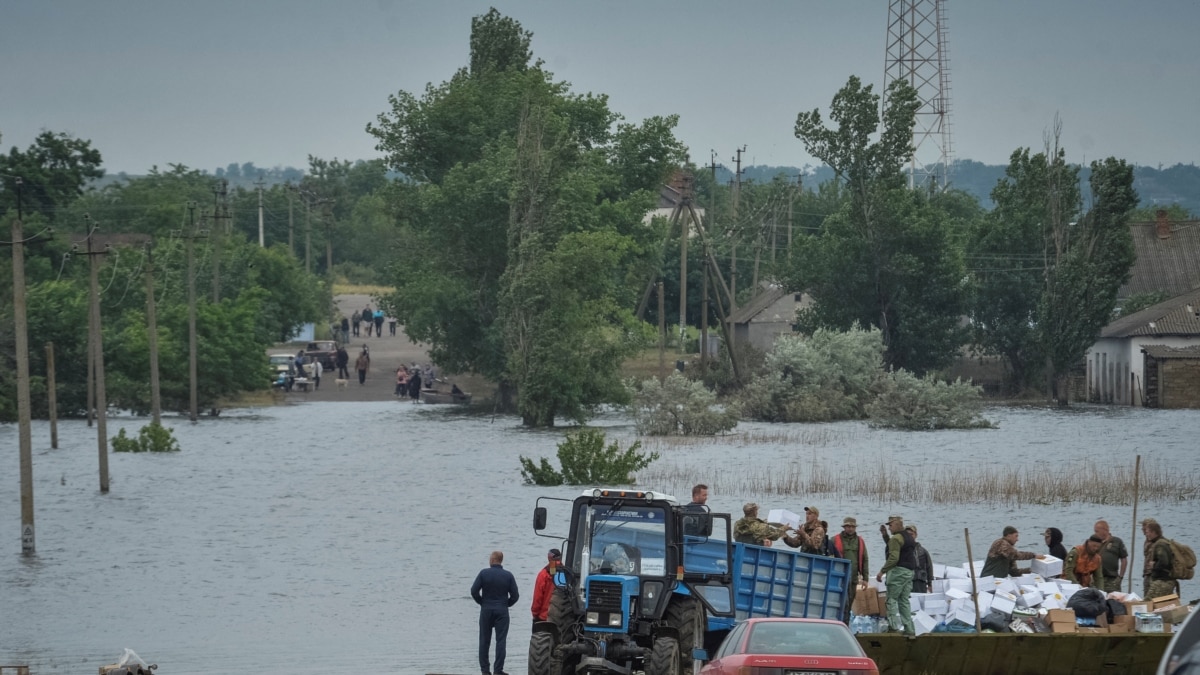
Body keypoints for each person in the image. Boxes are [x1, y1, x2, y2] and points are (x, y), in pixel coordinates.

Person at [471, 550, 519, 675]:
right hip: (502, 611)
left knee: (484, 641)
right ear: (500, 560)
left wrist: (482, 602)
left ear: (492, 560)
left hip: (486, 610)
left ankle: (485, 671)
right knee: (501, 641)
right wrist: (506, 604)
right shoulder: (508, 575)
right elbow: (515, 596)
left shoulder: (483, 573)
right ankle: (498, 670)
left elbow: (473, 591)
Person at [876, 515, 917, 636]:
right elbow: (894, 545)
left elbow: (894, 557)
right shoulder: (908, 537)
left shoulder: (896, 538)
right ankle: (909, 628)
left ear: (898, 524)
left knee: (891, 599)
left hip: (898, 571)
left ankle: (893, 627)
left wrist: (882, 571)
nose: (889, 528)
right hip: (910, 572)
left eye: (891, 525)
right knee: (904, 600)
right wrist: (885, 536)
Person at [831, 516, 869, 624]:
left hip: (853, 578)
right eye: (848, 526)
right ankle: (836, 624)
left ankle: (845, 626)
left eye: (852, 526)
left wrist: (865, 579)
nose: (850, 529)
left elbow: (865, 559)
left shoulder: (860, 541)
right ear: (844, 527)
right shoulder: (834, 540)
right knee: (840, 603)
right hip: (839, 577)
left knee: (849, 604)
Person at [1143, 518, 1176, 599]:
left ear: (1154, 532)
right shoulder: (1162, 542)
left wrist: (1153, 566)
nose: (1146, 535)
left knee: (1147, 602)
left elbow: (1164, 562)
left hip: (1162, 581)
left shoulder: (1160, 544)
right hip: (1164, 580)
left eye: (1147, 532)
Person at [1094, 519, 1129, 593]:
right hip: (1097, 579)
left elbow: (1124, 560)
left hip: (1112, 579)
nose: (1095, 534)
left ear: (1104, 530)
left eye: (1097, 531)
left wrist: (1121, 577)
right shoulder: (1095, 542)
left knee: (1113, 600)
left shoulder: (1117, 541)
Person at [531, 548, 561, 627]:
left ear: (549, 558)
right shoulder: (568, 573)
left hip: (545, 617)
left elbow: (538, 597)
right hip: (562, 618)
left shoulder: (544, 574)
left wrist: (535, 613)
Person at [908, 525, 934, 593]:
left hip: (921, 582)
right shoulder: (902, 551)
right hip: (908, 582)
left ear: (916, 535)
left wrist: (930, 584)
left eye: (911, 534)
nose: (910, 536)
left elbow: (929, 567)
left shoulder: (923, 551)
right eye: (907, 535)